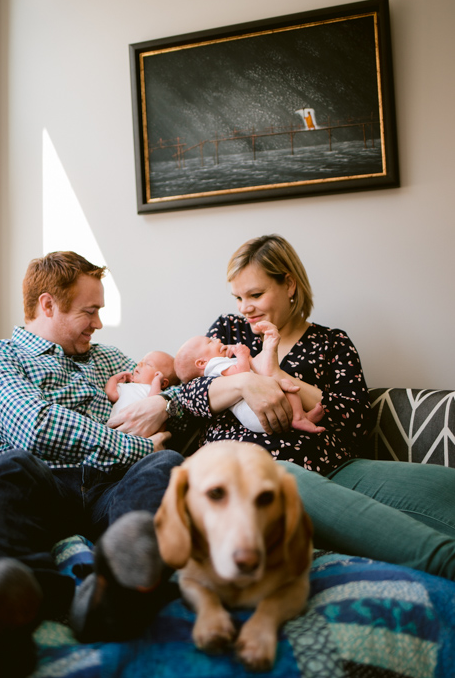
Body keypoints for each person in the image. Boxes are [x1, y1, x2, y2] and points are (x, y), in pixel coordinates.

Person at [0, 251, 184, 678]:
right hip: (37, 484)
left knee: (166, 465)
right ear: (47, 305)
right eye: (90, 311)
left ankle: (116, 593)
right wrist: (133, 444)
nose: (99, 323)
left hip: (109, 487)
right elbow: (34, 426)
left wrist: (164, 403)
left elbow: (161, 407)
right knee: (11, 467)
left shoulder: (110, 358)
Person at [171, 234, 455, 581]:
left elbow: (356, 419)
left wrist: (278, 374)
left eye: (256, 295)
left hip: (333, 466)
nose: (245, 307)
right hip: (257, 472)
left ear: (289, 284)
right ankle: (444, 562)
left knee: (446, 486)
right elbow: (187, 394)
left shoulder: (332, 342)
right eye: (238, 297)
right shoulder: (229, 331)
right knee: (282, 477)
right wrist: (246, 382)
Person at [174, 321, 325, 434]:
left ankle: (300, 417)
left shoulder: (219, 364)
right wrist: (242, 355)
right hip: (254, 414)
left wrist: (266, 362)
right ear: (201, 363)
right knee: (286, 385)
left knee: (285, 383)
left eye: (256, 295)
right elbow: (242, 372)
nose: (217, 340)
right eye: (210, 342)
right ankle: (298, 417)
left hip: (260, 415)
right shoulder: (214, 365)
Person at [105, 350, 179, 423]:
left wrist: (156, 382)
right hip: (116, 427)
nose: (139, 363)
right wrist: (114, 378)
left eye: (148, 364)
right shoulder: (126, 386)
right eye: (141, 361)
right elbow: (111, 395)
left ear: (163, 383)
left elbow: (152, 403)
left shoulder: (154, 391)